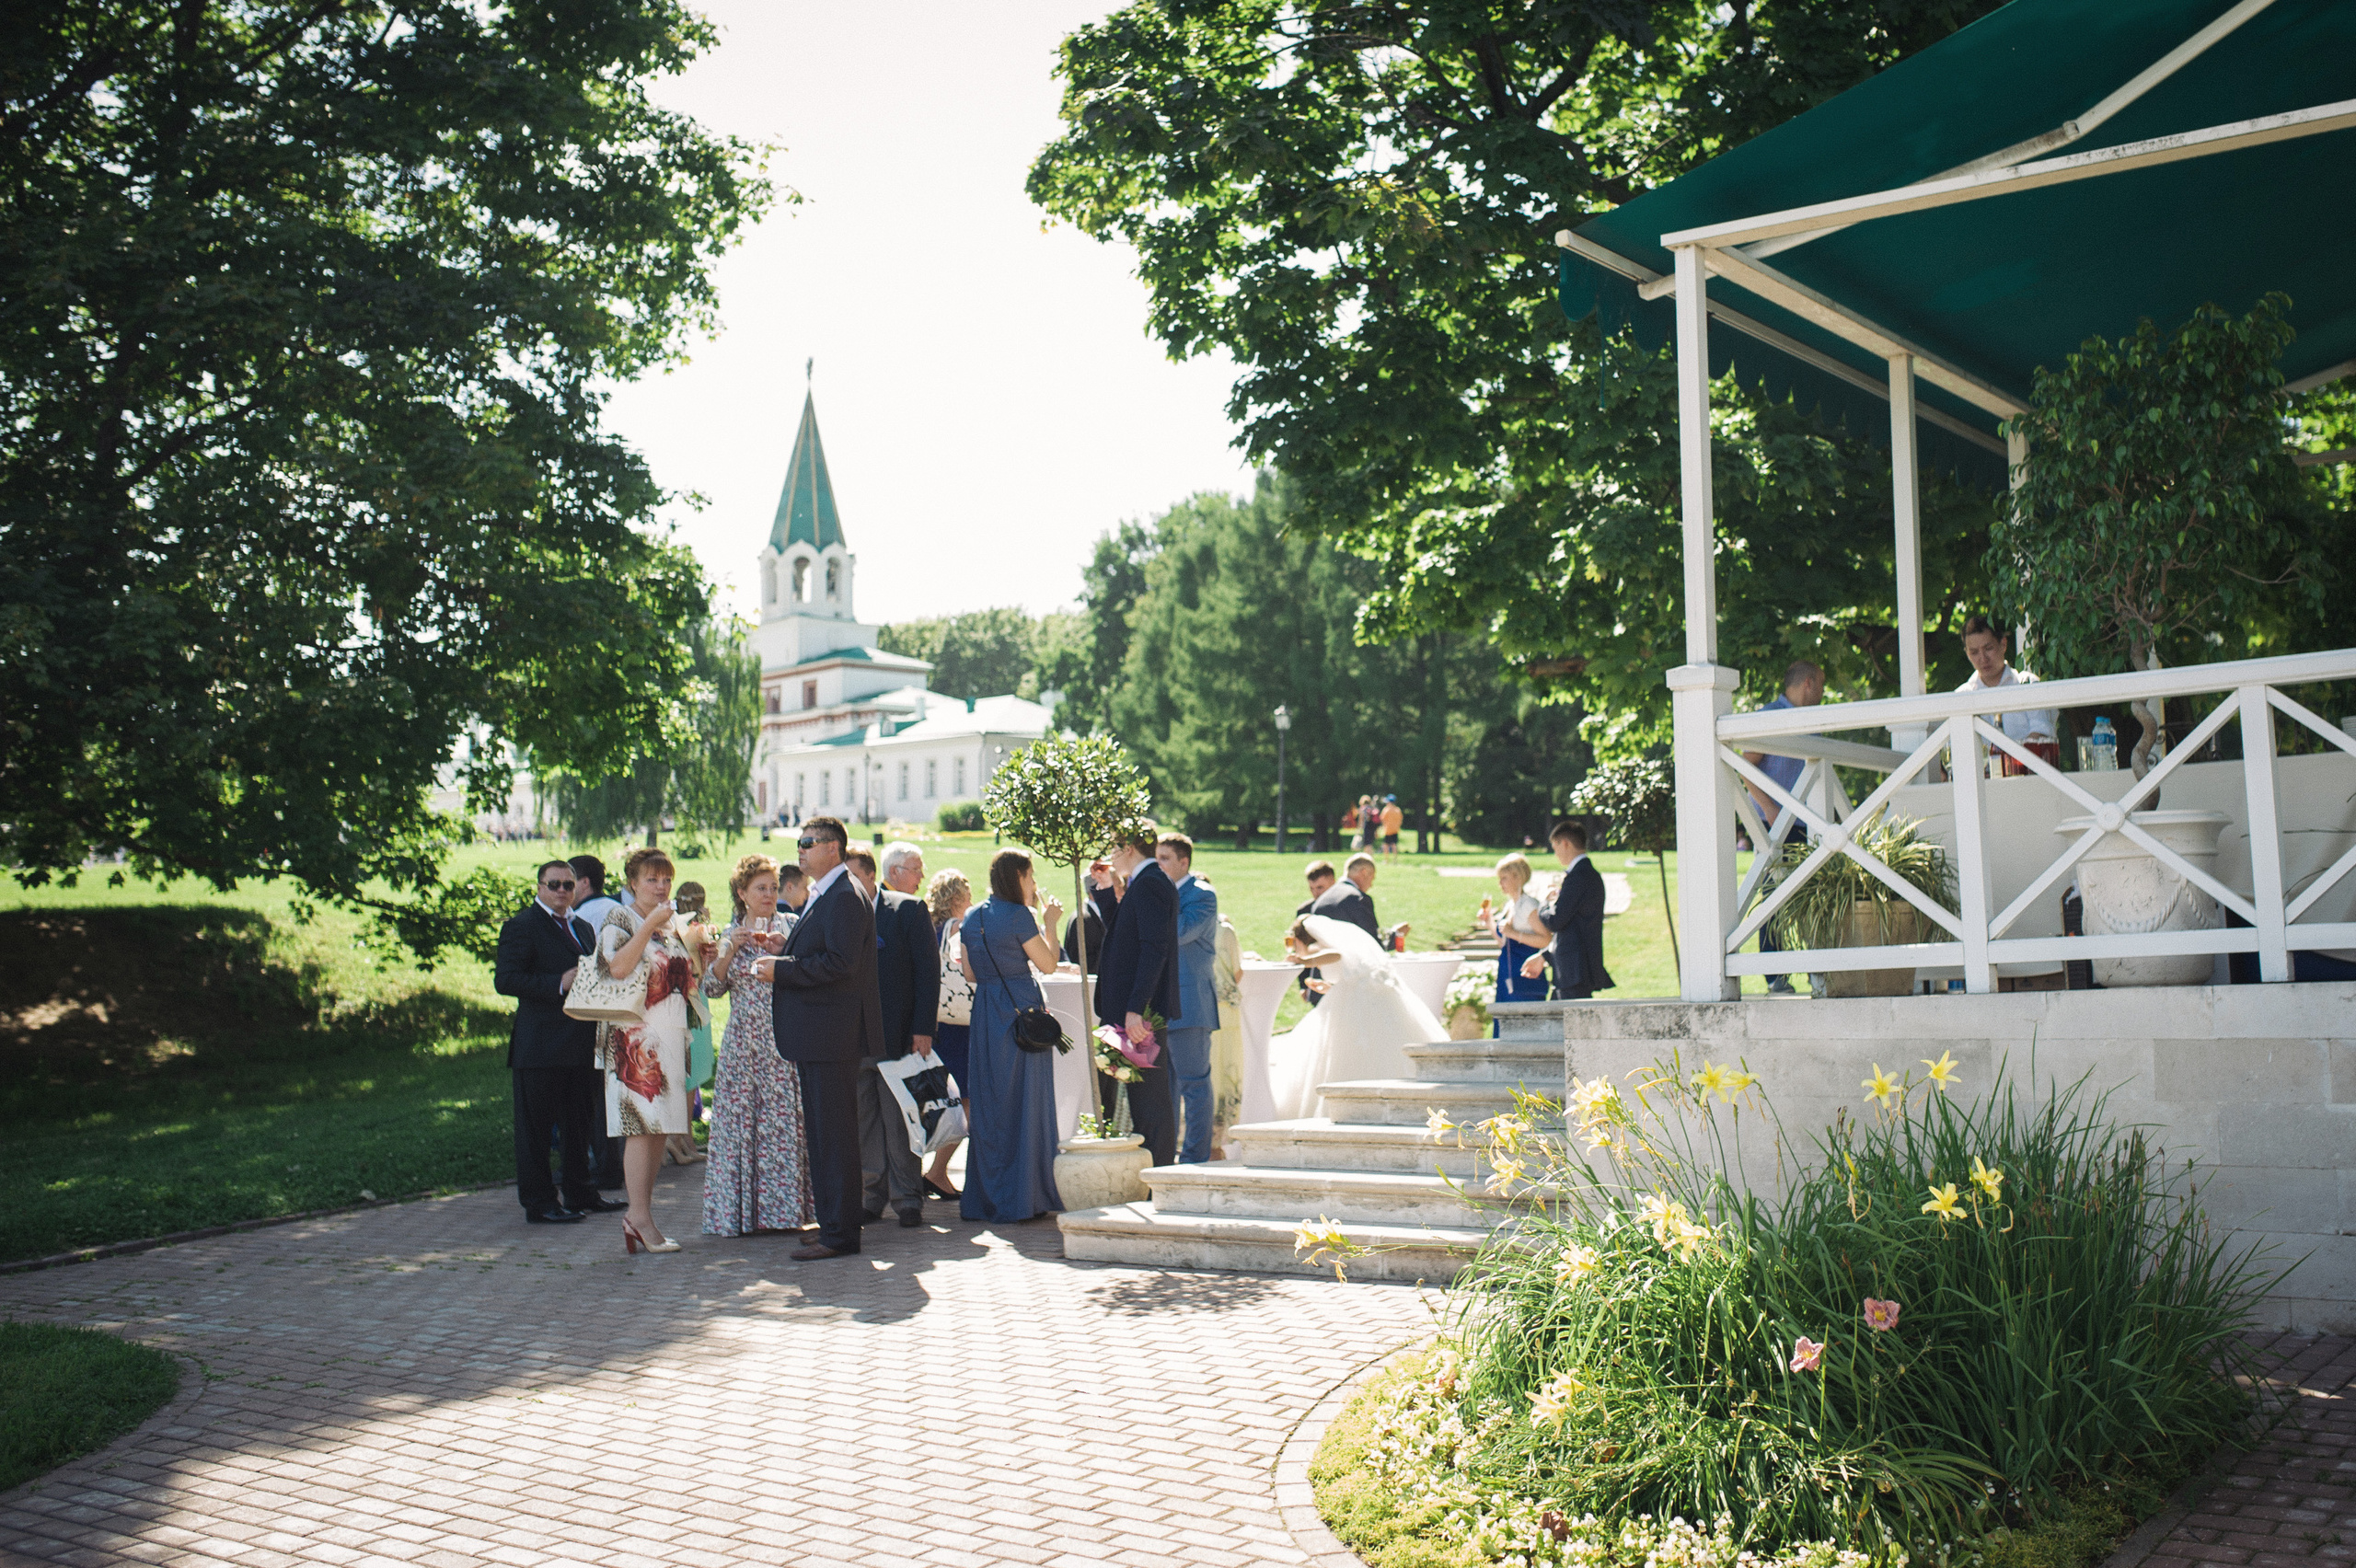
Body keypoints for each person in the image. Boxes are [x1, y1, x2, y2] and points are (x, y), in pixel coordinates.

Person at [763, 815, 882, 1260]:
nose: (801, 850)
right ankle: (834, 1221)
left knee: (834, 1136)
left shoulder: (845, 895)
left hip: (832, 1034)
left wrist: (782, 970)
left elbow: (840, 964)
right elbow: (827, 953)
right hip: (820, 1034)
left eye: (808, 843)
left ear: (833, 848)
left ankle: (840, 1234)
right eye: (799, 843)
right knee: (824, 1133)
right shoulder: (828, 892)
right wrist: (785, 950)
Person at [595, 847, 710, 1254]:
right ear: (632, 883)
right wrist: (648, 926)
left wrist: (700, 956)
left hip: (670, 1034)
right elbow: (617, 968)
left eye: (666, 880)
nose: (661, 888)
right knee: (641, 1129)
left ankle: (641, 1214)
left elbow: (679, 978)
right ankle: (639, 1216)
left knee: (662, 1127)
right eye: (651, 880)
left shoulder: (672, 925)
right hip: (634, 1039)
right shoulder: (620, 919)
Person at [492, 861, 622, 1225]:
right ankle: (540, 1203)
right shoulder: (521, 926)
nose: (562, 891)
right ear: (539, 886)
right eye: (554, 885)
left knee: (579, 1126)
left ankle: (581, 1192)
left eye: (568, 884)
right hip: (541, 1047)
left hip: (582, 1044)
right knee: (535, 1132)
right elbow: (506, 980)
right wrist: (557, 983)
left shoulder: (581, 926)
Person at [700, 854, 813, 1238]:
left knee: (783, 1126)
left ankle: (783, 1212)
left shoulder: (794, 926)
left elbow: (813, 974)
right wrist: (728, 950)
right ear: (741, 893)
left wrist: (786, 953)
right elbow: (712, 989)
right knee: (740, 1125)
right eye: (760, 889)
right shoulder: (728, 933)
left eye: (772, 887)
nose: (768, 895)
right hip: (743, 1043)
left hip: (785, 1038)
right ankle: (740, 1213)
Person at [958, 848, 1066, 1224]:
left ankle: (988, 1197)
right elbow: (1048, 964)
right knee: (1027, 1101)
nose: (1034, 884)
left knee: (990, 1104)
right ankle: (1027, 1194)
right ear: (1017, 877)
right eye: (1030, 877)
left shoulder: (971, 917)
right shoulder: (1020, 915)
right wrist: (1050, 923)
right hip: (1022, 1011)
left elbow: (970, 973)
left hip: (987, 1011)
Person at [1268, 915, 1444, 1119]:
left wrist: (1304, 959)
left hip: (1353, 1007)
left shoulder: (1324, 947)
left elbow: (1337, 955)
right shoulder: (1336, 941)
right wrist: (1329, 987)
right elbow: (1350, 976)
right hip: (1356, 998)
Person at [1093, 827, 1181, 1168]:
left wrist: (1135, 1010)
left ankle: (1159, 1179)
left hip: (1139, 1016)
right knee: (1127, 1097)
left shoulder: (1151, 884)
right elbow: (1126, 934)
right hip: (1129, 1012)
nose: (1110, 854)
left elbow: (1153, 950)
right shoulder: (1143, 883)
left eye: (1114, 847)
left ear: (1129, 847)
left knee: (1150, 1104)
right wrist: (1105, 890)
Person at [864, 841, 939, 1229]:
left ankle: (908, 1198)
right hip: (854, 1038)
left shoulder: (907, 910)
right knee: (865, 1122)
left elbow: (929, 972)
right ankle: (869, 1198)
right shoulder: (839, 913)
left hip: (898, 1037)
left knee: (901, 1120)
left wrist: (924, 1028)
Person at [1740, 661, 1824, 995]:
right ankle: (1775, 974)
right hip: (1773, 822)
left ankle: (1818, 971)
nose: (1822, 692)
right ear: (1808, 683)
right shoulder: (1772, 715)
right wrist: (1770, 807)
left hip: (1808, 822)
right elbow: (1746, 766)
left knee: (1814, 894)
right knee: (1774, 895)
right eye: (1820, 684)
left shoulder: (1811, 720)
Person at [1153, 833, 1220, 1165]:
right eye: (1156, 858)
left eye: (1165, 858)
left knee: (1194, 1085)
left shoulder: (1202, 895)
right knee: (1164, 1090)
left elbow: (1177, 932)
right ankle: (1165, 1157)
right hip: (1159, 1007)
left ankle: (1195, 1159)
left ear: (1184, 862)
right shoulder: (1160, 893)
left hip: (1190, 1004)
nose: (1158, 864)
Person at [566, 853, 624, 1189]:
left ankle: (604, 1166)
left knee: (594, 1097)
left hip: (594, 1014)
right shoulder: (617, 909)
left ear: (584, 883)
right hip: (617, 1012)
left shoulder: (583, 916)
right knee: (605, 1095)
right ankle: (609, 1163)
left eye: (570, 882)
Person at [1521, 821, 1615, 1002]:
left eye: (1555, 846)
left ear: (1565, 844)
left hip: (1574, 972)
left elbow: (1555, 921)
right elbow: (1573, 927)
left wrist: (1545, 903)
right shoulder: (1585, 875)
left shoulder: (1579, 877)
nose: (1555, 853)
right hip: (1571, 971)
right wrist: (1544, 956)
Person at [924, 869, 976, 1200]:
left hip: (939, 1023)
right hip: (960, 1026)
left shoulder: (929, 929)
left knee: (945, 1101)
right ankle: (938, 1171)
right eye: (968, 896)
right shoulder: (958, 929)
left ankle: (933, 1169)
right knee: (965, 1104)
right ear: (956, 898)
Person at [1959, 613, 2061, 752]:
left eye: (1988, 649)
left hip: (2028, 771)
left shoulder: (2027, 684)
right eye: (1974, 652)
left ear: (2003, 644)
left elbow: (2042, 730)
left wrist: (2011, 762)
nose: (1983, 658)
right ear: (1967, 653)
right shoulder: (1961, 696)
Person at [1479, 852, 1551, 1025]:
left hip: (1524, 976)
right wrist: (1489, 922)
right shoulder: (1511, 905)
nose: (1500, 883)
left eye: (1504, 878)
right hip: (1508, 973)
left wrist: (1513, 933)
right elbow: (1505, 943)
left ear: (1517, 877)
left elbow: (1545, 939)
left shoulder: (1529, 905)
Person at [1379, 796, 1405, 860]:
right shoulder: (1397, 810)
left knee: (1386, 845)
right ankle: (1395, 859)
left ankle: (1386, 859)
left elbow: (1382, 818)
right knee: (1394, 845)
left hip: (1387, 830)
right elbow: (1400, 820)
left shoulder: (1386, 809)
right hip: (1395, 830)